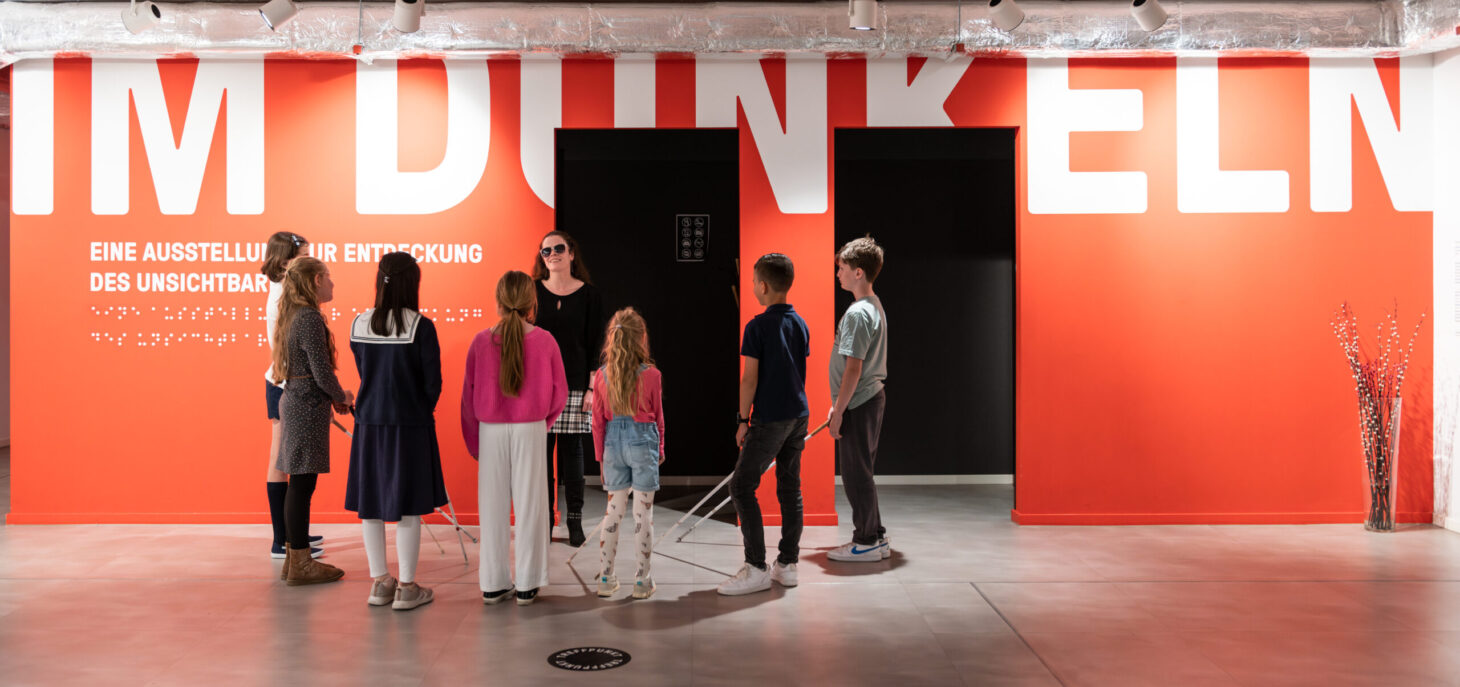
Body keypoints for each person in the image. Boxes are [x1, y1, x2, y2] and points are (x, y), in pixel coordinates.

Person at [345, 252, 448, 611]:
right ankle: (406, 587)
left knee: (370, 505)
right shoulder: (421, 326)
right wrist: (419, 410)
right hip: (410, 425)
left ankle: (379, 583)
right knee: (409, 507)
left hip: (369, 424)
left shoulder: (359, 323)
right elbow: (432, 383)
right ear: (411, 283)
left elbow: (363, 372)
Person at [462, 270, 568, 606]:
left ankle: (493, 584)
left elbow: (468, 397)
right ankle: (527, 582)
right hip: (530, 427)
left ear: (499, 300)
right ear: (531, 301)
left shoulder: (481, 341)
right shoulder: (545, 340)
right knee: (532, 506)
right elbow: (560, 393)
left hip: (490, 431)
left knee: (491, 508)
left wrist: (475, 442)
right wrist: (541, 422)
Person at [716, 254, 810, 596]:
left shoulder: (756, 327)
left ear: (763, 286)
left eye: (753, 280)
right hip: (799, 416)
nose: (752, 285)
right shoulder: (800, 323)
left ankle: (756, 566)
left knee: (741, 487)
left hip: (770, 418)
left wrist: (743, 419)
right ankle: (787, 565)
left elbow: (749, 379)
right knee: (790, 488)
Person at [272, 256, 353, 585]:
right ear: (316, 280)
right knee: (303, 485)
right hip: (306, 405)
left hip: (298, 401)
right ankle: (301, 562)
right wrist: (341, 396)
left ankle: (294, 560)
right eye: (329, 277)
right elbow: (321, 371)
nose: (333, 283)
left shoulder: (294, 315)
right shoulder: (308, 318)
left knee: (299, 484)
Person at [531, 231, 606, 547]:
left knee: (573, 456)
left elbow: (595, 343)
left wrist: (592, 387)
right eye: (545, 250)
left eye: (558, 248)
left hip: (576, 383)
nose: (552, 254)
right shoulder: (533, 292)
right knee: (542, 459)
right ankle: (546, 522)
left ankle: (574, 522)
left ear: (572, 253)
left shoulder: (589, 295)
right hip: (539, 385)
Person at [589, 308, 666, 601]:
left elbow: (597, 422)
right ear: (641, 339)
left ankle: (606, 578)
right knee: (642, 515)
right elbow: (658, 418)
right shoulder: (653, 376)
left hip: (612, 446)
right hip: (642, 443)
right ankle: (642, 582)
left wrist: (601, 458)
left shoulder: (601, 376)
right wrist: (660, 449)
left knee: (613, 511)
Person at [826, 236, 891, 563]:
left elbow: (854, 367)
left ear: (859, 272)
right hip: (865, 400)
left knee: (855, 474)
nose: (838, 273)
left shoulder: (858, 313)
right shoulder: (873, 306)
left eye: (842, 268)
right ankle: (875, 536)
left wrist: (838, 411)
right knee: (861, 470)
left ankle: (865, 541)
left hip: (858, 403)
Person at [260, 231, 323, 560]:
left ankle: (293, 533)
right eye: (303, 258)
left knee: (292, 462)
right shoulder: (283, 296)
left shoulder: (287, 291)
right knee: (282, 461)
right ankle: (282, 540)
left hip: (287, 383)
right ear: (285, 262)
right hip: (286, 385)